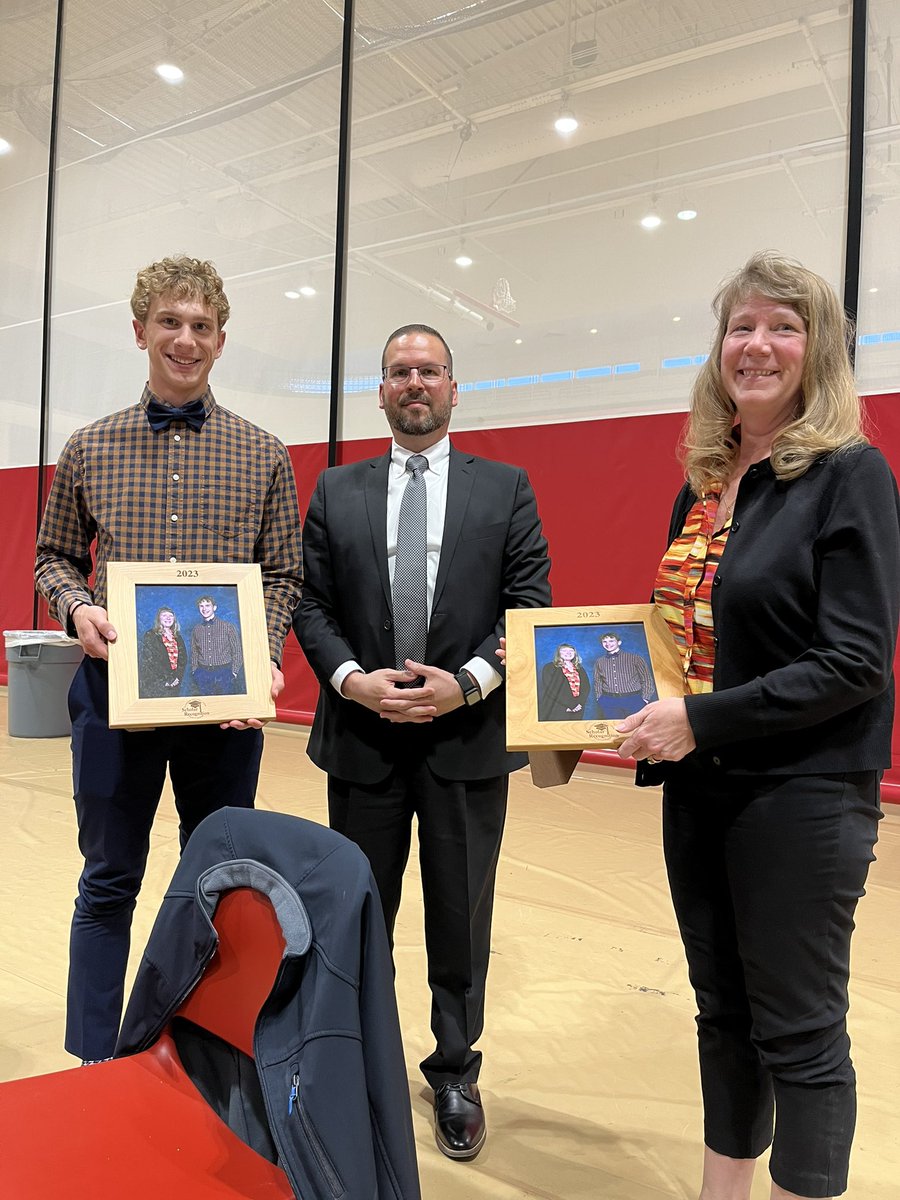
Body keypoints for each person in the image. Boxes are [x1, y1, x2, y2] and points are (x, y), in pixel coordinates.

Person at [614, 251, 900, 1200]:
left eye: (784, 326)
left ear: (817, 349)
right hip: (700, 788)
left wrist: (699, 719)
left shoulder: (850, 474)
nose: (759, 345)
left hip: (803, 794)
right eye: (742, 326)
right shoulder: (703, 481)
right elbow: (682, 637)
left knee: (802, 1030)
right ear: (719, 347)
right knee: (721, 1014)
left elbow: (856, 662)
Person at [34, 255, 303, 1065]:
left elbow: (283, 574)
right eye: (170, 323)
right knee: (108, 878)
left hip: (222, 707)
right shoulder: (89, 446)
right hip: (114, 694)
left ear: (222, 340)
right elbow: (52, 556)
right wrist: (78, 607)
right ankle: (93, 1058)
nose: (185, 341)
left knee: (217, 882)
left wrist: (263, 656)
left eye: (201, 327)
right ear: (140, 330)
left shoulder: (265, 455)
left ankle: (196, 1052)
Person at [293, 322, 551, 1162]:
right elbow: (310, 606)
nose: (414, 383)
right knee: (358, 910)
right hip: (363, 737)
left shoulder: (506, 487)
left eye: (429, 371)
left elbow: (530, 603)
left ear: (452, 387)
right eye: (399, 371)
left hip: (467, 738)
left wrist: (466, 683)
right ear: (379, 391)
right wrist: (350, 682)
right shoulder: (335, 490)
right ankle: (356, 1060)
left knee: (459, 916)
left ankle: (453, 1070)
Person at [592, 631, 654, 718]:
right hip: (609, 701)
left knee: (637, 728)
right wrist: (599, 698)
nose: (608, 644)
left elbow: (646, 679)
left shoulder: (635, 658)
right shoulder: (599, 661)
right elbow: (597, 681)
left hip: (634, 700)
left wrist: (645, 699)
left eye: (611, 641)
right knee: (614, 728)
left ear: (619, 642)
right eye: (604, 641)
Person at [190, 594, 242, 694]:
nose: (204, 609)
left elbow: (237, 651)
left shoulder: (228, 627)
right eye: (201, 606)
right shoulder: (196, 629)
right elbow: (194, 652)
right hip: (202, 674)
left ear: (214, 607)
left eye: (207, 605)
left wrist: (234, 672)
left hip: (224, 673)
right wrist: (195, 671)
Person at [139, 606, 186, 697]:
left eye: (171, 616)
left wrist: (177, 678)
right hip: (157, 682)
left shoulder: (178, 637)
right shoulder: (150, 635)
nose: (168, 618)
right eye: (164, 615)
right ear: (158, 619)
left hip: (175, 682)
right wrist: (166, 680)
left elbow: (183, 660)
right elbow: (151, 661)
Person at [538, 642, 589, 720]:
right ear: (558, 653)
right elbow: (551, 690)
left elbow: (586, 688)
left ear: (575, 653)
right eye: (564, 651)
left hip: (578, 708)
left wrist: (579, 704)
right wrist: (570, 705)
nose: (568, 653)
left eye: (571, 651)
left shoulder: (580, 669)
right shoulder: (549, 667)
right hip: (558, 707)